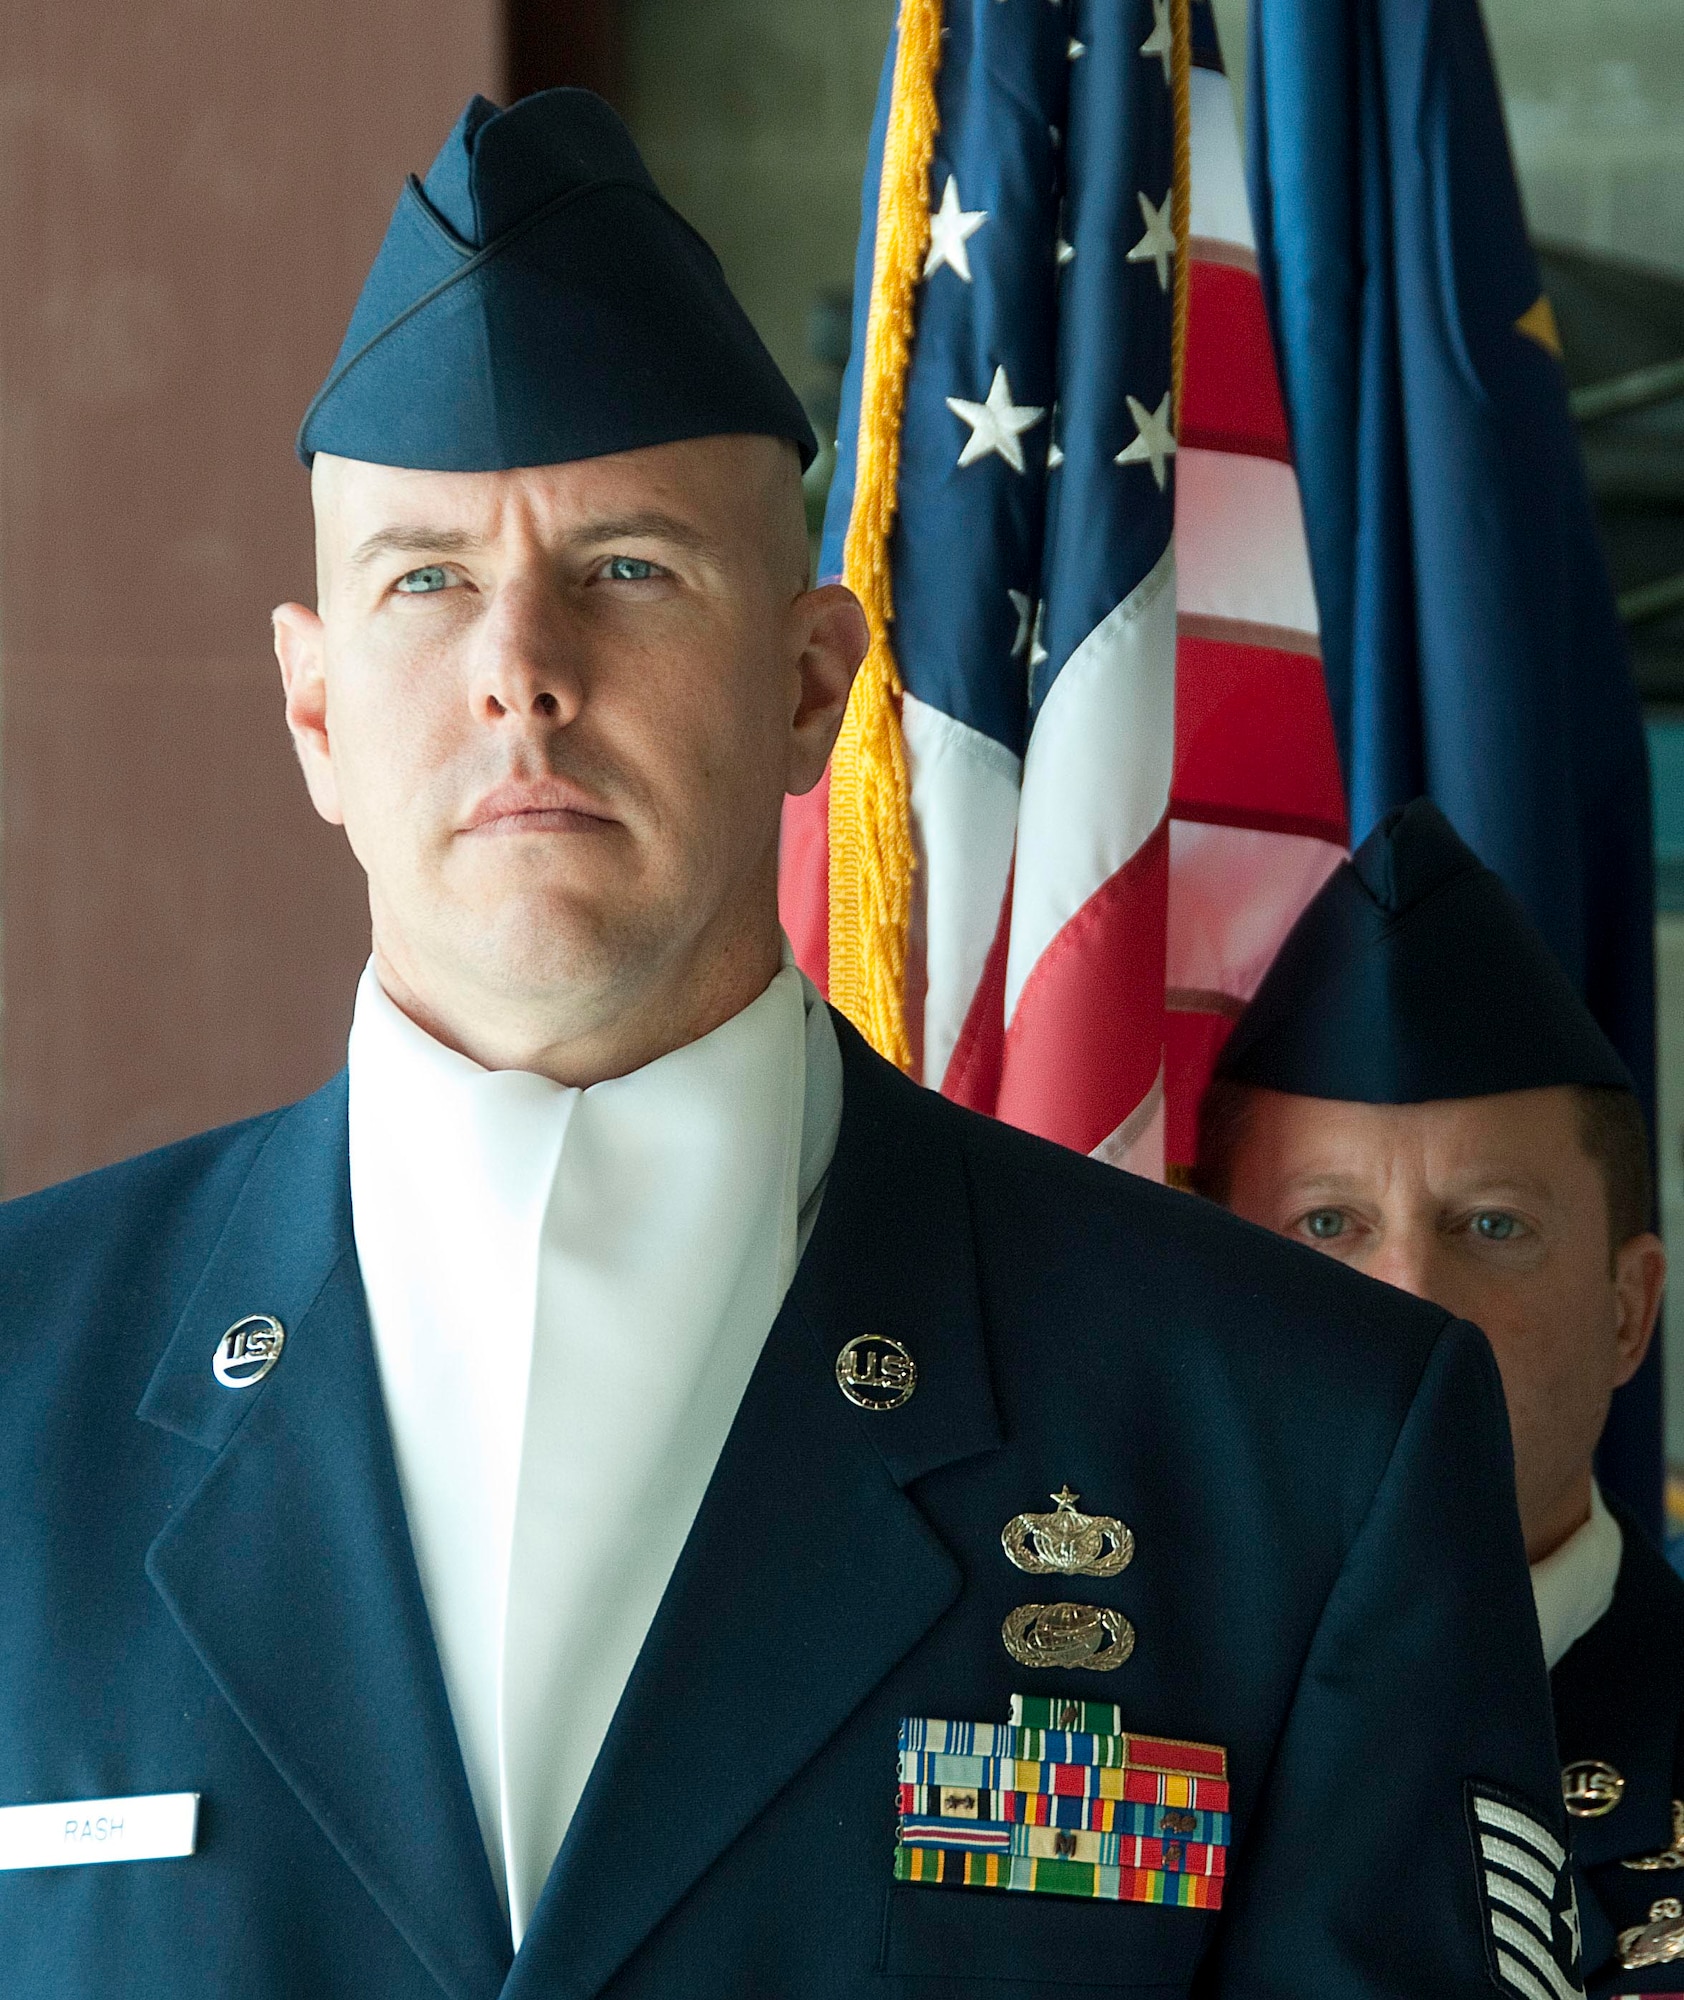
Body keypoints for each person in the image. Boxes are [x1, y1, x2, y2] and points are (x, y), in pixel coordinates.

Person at [0, 92, 1576, 2000]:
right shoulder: (25, 1391)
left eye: (628, 567)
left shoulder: (1293, 1448)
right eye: (424, 579)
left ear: (812, 681)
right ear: (315, 709)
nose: (518, 665)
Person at [1200, 796, 1684, 1996]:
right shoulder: (1084, 1723)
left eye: (1492, 1225)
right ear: (1198, 1298)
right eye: (1327, 1224)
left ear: (1628, 1309)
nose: (1412, 1304)